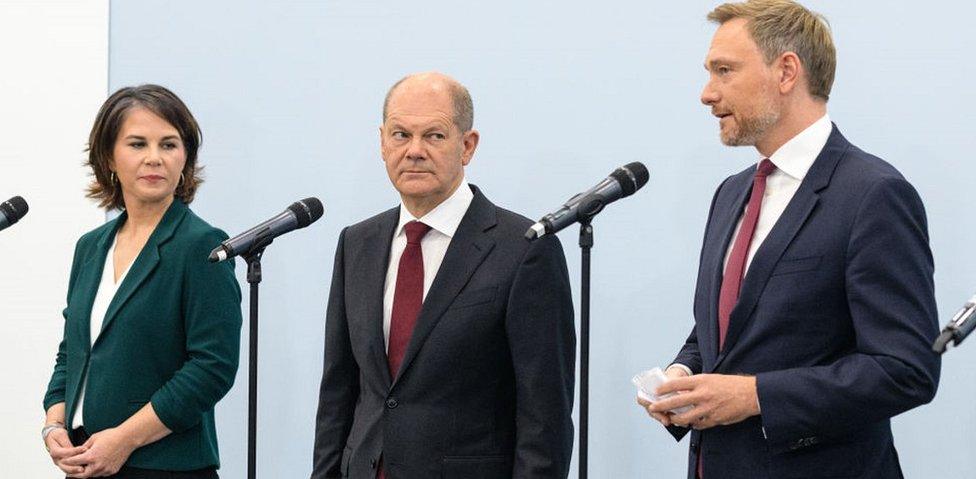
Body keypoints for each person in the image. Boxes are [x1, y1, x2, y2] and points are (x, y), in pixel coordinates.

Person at [637, 2, 940, 478]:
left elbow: (905, 370)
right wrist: (683, 374)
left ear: (786, 71)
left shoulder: (874, 194)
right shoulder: (731, 192)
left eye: (724, 71)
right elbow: (724, 332)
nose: (706, 93)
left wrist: (756, 395)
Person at [312, 72, 576, 478]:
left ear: (467, 146)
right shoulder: (356, 244)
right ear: (382, 142)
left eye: (433, 136)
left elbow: (545, 416)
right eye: (400, 135)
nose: (414, 151)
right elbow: (338, 393)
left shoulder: (523, 249)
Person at [42, 84, 242, 478]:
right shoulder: (91, 247)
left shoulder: (202, 244)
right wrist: (54, 421)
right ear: (108, 158)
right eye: (138, 144)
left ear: (185, 158)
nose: (155, 158)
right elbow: (73, 350)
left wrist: (124, 439)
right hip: (87, 460)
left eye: (169, 145)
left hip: (166, 466)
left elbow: (211, 367)